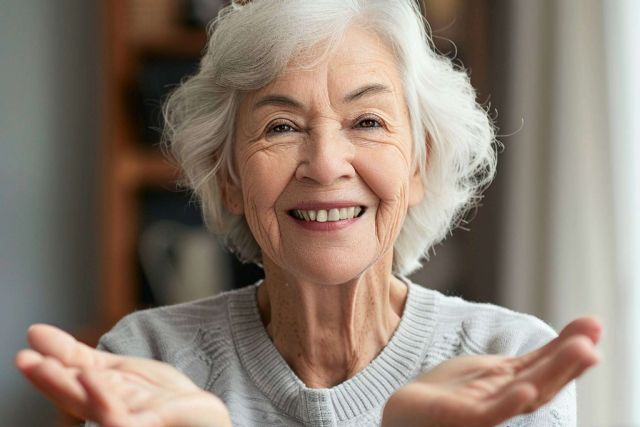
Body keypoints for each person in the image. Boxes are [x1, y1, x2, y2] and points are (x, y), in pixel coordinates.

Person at [16, 1, 601, 426]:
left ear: (420, 164)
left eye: (367, 122)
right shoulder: (149, 361)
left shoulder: (508, 361)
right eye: (281, 127)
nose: (325, 165)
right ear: (229, 180)